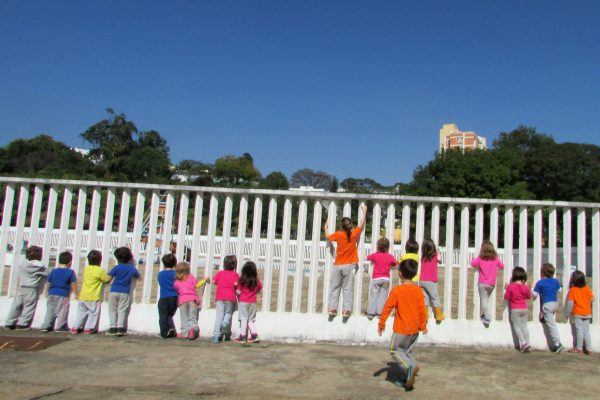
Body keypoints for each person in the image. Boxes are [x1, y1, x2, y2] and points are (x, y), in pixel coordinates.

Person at [378, 259, 427, 391]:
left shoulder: (397, 291)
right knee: (406, 352)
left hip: (401, 330)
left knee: (395, 350)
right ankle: (407, 378)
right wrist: (423, 326)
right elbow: (423, 309)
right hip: (414, 330)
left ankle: (410, 368)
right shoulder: (418, 290)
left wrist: (381, 323)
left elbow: (387, 308)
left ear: (400, 274)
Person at [324, 204, 367, 318]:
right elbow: (361, 224)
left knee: (335, 287)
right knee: (347, 288)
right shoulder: (353, 234)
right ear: (350, 226)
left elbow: (328, 237)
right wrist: (365, 211)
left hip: (337, 265)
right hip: (348, 266)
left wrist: (326, 227)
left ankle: (332, 308)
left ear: (341, 226)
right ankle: (346, 310)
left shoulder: (338, 234)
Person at [5, 246, 48, 330]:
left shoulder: (24, 264)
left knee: (16, 305)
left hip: (21, 286)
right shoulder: (40, 267)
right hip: (32, 288)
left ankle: (10, 322)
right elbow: (48, 273)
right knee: (29, 306)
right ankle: (23, 324)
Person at [72, 250, 111, 334]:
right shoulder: (100, 270)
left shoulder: (86, 269)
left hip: (83, 296)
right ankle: (89, 328)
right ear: (100, 260)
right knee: (93, 313)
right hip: (94, 297)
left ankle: (76, 327)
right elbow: (106, 280)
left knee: (81, 313)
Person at [107, 247, 141, 336]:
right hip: (125, 292)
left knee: (112, 310)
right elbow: (139, 278)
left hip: (114, 291)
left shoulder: (116, 268)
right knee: (122, 311)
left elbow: (108, 279)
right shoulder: (132, 268)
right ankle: (121, 328)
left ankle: (112, 328)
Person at [40, 251, 78, 332]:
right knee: (62, 311)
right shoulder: (70, 272)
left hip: (52, 293)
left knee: (50, 310)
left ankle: (46, 325)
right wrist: (77, 294)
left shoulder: (53, 271)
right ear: (70, 262)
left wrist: (46, 292)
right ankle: (61, 326)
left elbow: (48, 282)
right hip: (63, 294)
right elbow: (73, 284)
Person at [470, 240, 504, 328]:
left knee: (484, 300)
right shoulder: (495, 259)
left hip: (482, 283)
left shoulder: (480, 258)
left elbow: (473, 264)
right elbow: (502, 266)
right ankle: (484, 315)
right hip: (492, 284)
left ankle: (487, 317)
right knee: (486, 299)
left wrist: (474, 258)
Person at [532, 263, 564, 353]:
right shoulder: (556, 281)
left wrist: (531, 287)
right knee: (549, 320)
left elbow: (534, 295)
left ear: (542, 272)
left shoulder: (540, 283)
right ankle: (544, 317)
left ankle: (557, 344)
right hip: (555, 304)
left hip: (547, 305)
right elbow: (559, 290)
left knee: (551, 325)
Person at [173, 261, 209, 340]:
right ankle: (193, 329)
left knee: (184, 317)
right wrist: (204, 280)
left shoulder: (176, 281)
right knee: (192, 316)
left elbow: (176, 291)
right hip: (192, 300)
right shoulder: (191, 277)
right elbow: (197, 284)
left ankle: (185, 332)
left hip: (182, 301)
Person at [366, 237, 397, 320]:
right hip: (386, 279)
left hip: (376, 278)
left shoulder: (376, 255)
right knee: (383, 296)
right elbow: (395, 263)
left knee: (374, 295)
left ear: (378, 246)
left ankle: (370, 313)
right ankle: (380, 313)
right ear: (388, 247)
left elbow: (368, 257)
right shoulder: (390, 256)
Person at [564, 270, 594, 355]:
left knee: (579, 331)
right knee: (586, 331)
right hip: (587, 313)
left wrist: (568, 314)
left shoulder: (572, 290)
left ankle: (579, 348)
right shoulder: (587, 289)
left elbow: (570, 304)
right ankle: (589, 349)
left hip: (577, 313)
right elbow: (592, 299)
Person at [503, 266, 532, 353]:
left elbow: (506, 297)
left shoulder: (511, 287)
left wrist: (506, 288)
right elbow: (529, 296)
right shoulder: (525, 287)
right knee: (524, 326)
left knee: (517, 327)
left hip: (515, 309)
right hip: (524, 308)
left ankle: (523, 343)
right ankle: (527, 343)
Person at [211, 255, 239, 342]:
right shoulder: (235, 274)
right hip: (230, 297)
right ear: (234, 265)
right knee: (228, 313)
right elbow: (236, 284)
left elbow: (214, 281)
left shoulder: (220, 273)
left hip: (219, 297)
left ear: (224, 264)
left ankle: (216, 335)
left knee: (219, 316)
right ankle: (225, 322)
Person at [235, 261, 263, 343]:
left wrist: (236, 287)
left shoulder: (242, 280)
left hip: (243, 301)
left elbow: (238, 291)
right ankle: (254, 335)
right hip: (253, 302)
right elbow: (259, 288)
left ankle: (242, 336)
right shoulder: (256, 281)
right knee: (251, 320)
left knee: (243, 318)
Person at [419, 239, 444, 324]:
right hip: (431, 280)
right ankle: (438, 315)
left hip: (422, 280)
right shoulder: (435, 255)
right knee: (435, 298)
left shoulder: (423, 257)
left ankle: (425, 316)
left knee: (424, 298)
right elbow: (440, 261)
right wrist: (437, 251)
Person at [157, 253, 178, 338]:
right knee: (170, 315)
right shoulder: (176, 274)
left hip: (163, 297)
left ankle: (164, 332)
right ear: (175, 263)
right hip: (174, 297)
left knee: (163, 316)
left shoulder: (160, 274)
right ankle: (171, 329)